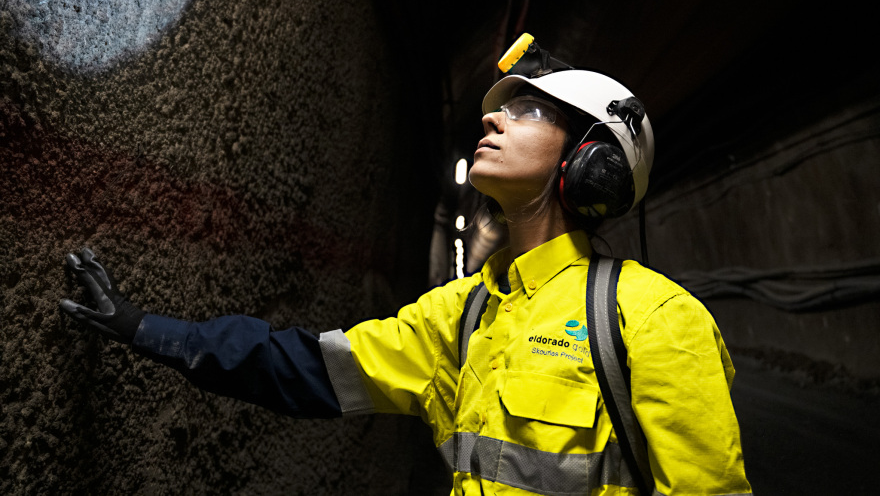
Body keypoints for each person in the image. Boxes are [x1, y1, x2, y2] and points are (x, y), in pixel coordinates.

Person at [61, 36, 752, 495]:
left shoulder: (654, 319)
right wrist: (142, 326)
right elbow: (301, 365)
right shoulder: (463, 314)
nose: (494, 120)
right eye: (499, 109)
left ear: (592, 163)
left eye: (530, 111)